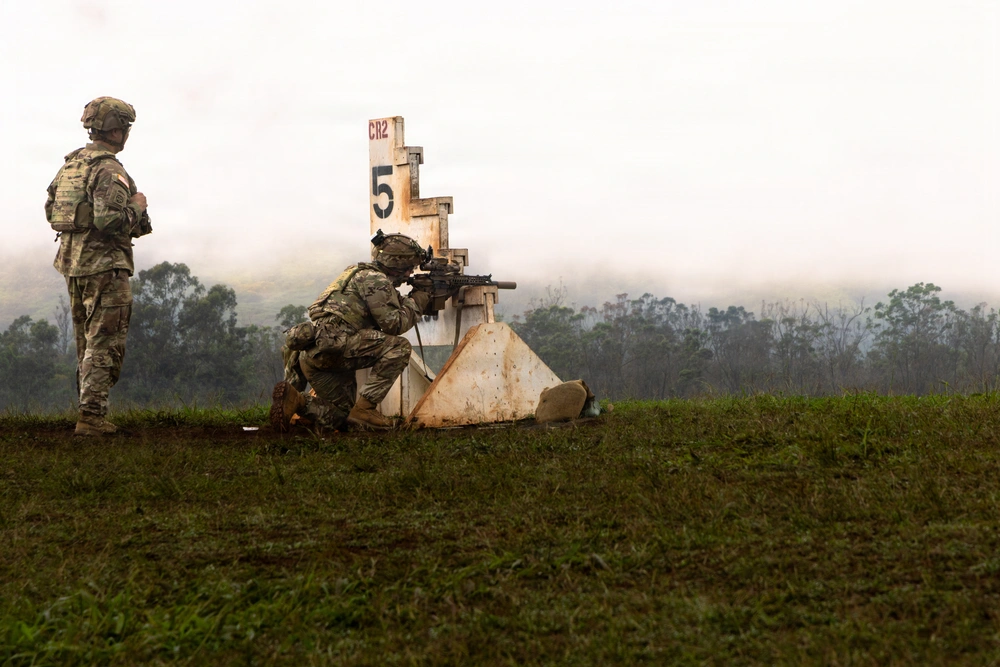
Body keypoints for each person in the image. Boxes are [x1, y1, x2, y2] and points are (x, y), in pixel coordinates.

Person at [45, 97, 152, 436]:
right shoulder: (109, 169)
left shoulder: (72, 164)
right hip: (105, 267)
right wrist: (136, 207)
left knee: (86, 343)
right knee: (104, 343)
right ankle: (91, 417)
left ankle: (88, 409)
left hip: (73, 264)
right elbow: (109, 221)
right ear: (118, 130)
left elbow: (52, 211)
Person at [270, 230, 434, 431]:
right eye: (408, 268)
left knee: (342, 418)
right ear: (396, 263)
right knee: (399, 348)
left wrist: (412, 297)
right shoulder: (376, 280)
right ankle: (365, 408)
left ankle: (297, 401)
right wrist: (419, 300)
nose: (409, 273)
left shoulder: (355, 272)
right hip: (337, 350)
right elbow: (394, 325)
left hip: (314, 354)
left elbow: (386, 303)